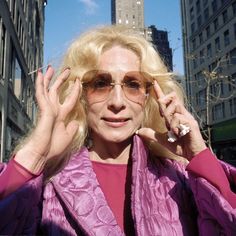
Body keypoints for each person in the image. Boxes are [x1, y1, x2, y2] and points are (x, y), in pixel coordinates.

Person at [0, 25, 236, 235]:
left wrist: (198, 155)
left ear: (149, 96)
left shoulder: (182, 178)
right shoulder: (45, 180)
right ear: (79, 94)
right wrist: (34, 157)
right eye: (100, 84)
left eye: (133, 84)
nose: (117, 102)